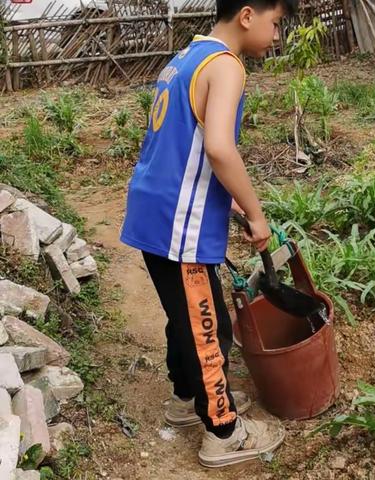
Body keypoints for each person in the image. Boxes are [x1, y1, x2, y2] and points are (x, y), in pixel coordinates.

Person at [120, 0, 298, 468]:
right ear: (247, 15)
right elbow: (219, 146)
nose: (276, 35)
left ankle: (185, 399)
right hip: (181, 221)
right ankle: (224, 431)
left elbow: (187, 142)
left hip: (152, 208)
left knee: (183, 312)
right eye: (275, 23)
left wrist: (232, 198)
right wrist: (257, 215)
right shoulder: (227, 66)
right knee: (208, 323)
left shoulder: (185, 58)